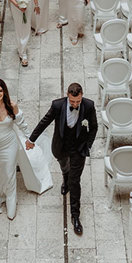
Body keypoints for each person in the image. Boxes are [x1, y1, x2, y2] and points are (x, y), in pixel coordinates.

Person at [26, 82, 98, 235]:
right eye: (72, 101)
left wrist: (88, 145)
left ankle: (75, 216)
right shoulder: (57, 105)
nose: (75, 104)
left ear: (82, 96)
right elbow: (44, 122)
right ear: (67, 95)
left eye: (78, 101)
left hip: (79, 148)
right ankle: (65, 178)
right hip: (61, 146)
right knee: (64, 166)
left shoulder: (89, 106)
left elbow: (94, 126)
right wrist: (31, 140)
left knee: (75, 181)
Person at [0, 79, 53, 219]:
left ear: (4, 91)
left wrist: (30, 139)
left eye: (0, 90)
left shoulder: (12, 106)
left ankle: (12, 201)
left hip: (9, 144)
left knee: (9, 172)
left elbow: (22, 124)